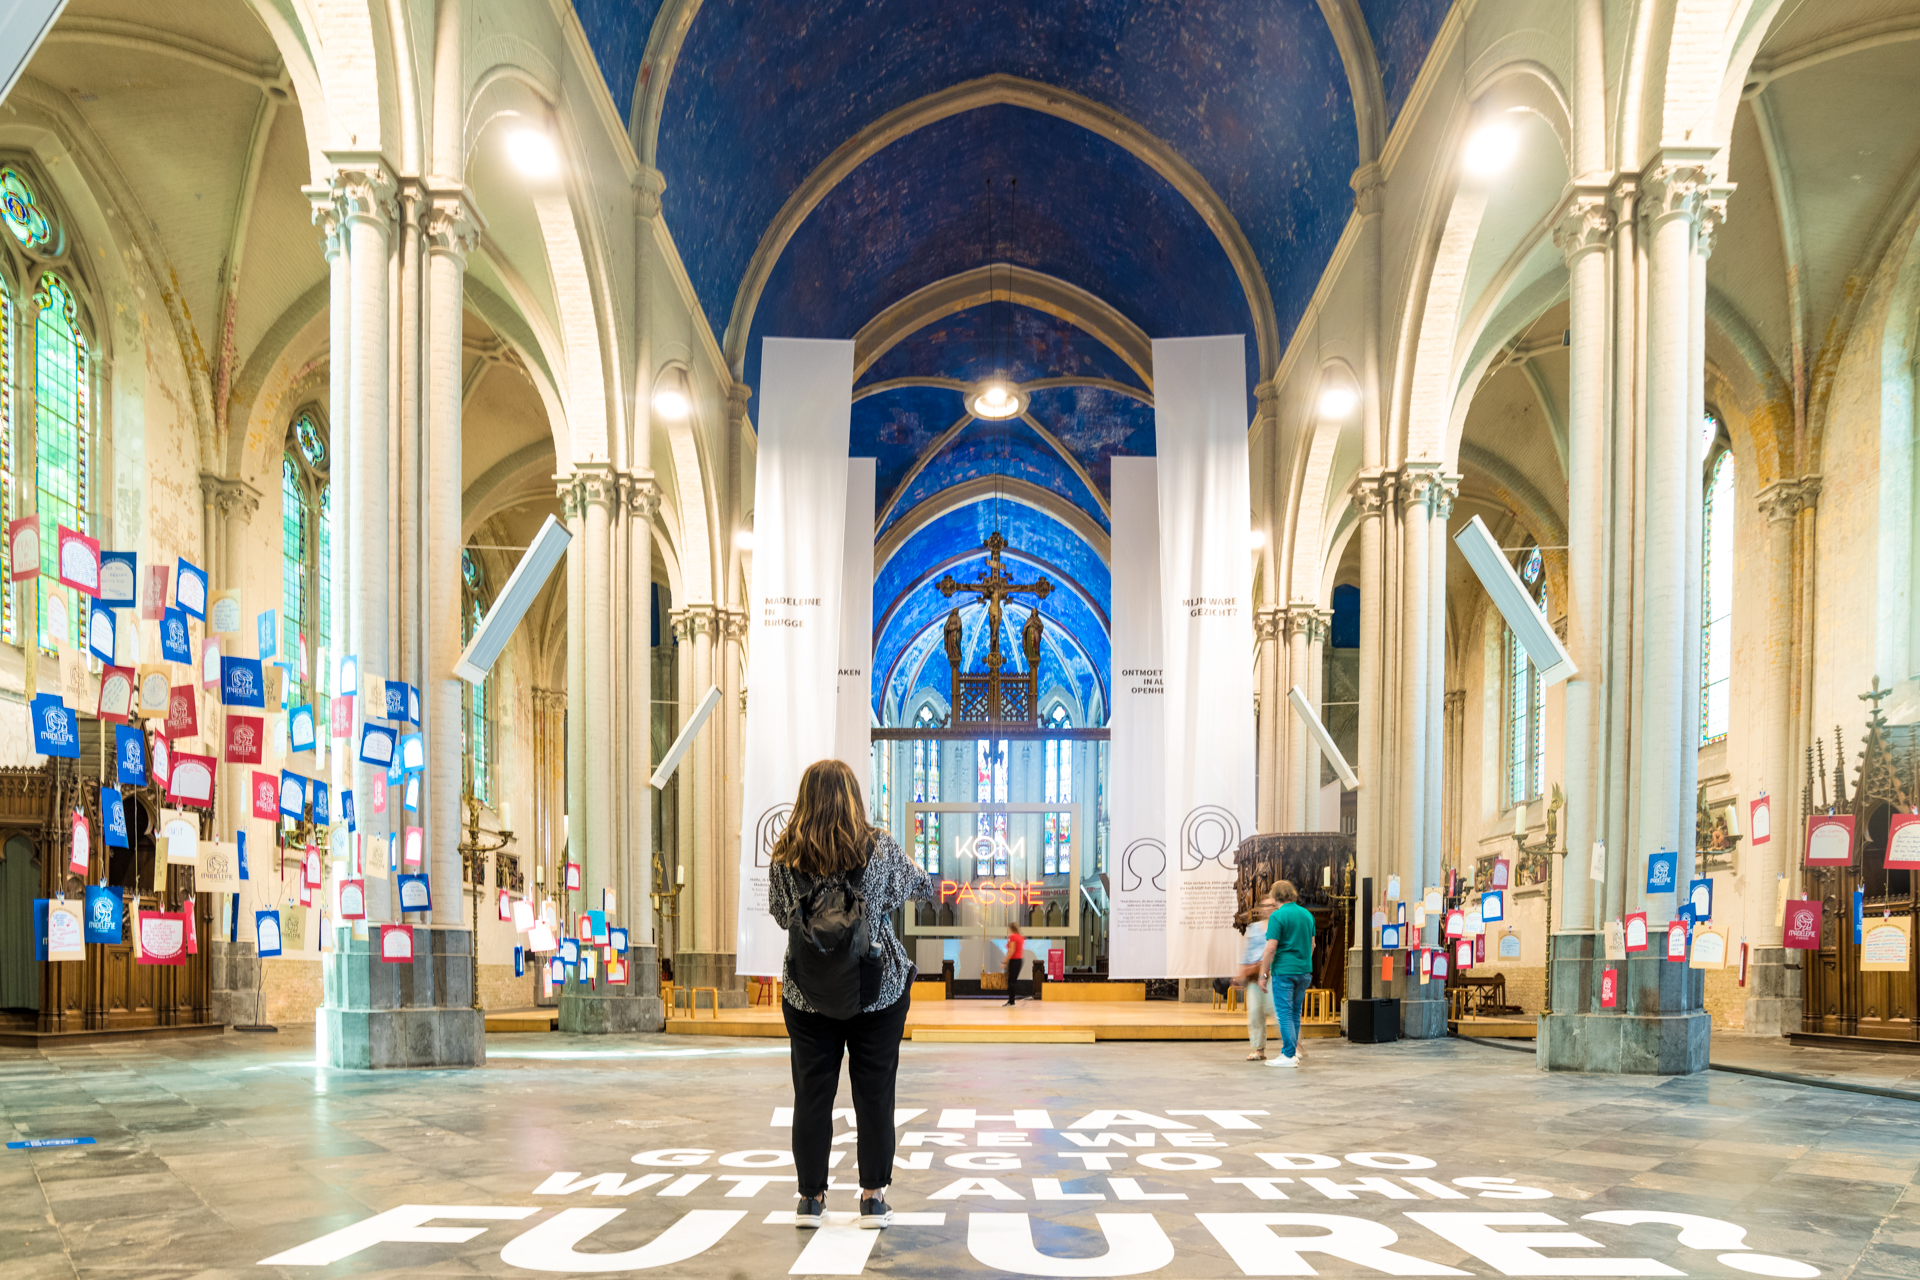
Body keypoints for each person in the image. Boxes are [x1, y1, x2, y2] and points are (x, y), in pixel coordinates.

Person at [769, 759, 933, 1230]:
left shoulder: (785, 856)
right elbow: (918, 883)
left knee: (812, 1094)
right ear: (854, 798)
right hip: (875, 992)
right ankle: (872, 1199)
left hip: (807, 994)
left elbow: (782, 915)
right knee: (875, 1094)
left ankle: (811, 1199)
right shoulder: (879, 848)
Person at [1257, 879, 1316, 1068]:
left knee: (1283, 1013)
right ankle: (1293, 1053)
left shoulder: (1277, 916)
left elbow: (1270, 948)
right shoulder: (1307, 915)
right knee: (1295, 1013)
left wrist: (1262, 974)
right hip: (1304, 972)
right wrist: (1302, 962)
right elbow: (1313, 945)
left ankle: (1288, 1055)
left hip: (1284, 971)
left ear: (1275, 898)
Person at [1234, 883, 1279, 1060]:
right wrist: (1242, 971)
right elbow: (1247, 951)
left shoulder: (1279, 925)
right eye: (1265, 906)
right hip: (1254, 976)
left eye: (1271, 906)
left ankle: (1293, 1046)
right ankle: (1259, 1049)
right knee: (1255, 1013)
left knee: (1276, 1012)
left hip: (1272, 974)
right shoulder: (1253, 928)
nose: (1267, 909)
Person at [1002, 922, 1026, 1006]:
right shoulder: (1020, 937)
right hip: (1019, 960)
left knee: (1011, 982)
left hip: (1014, 960)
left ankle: (1011, 1001)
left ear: (1010, 928)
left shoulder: (1013, 936)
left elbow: (1012, 951)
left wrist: (1004, 961)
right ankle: (1011, 1000)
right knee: (1012, 981)